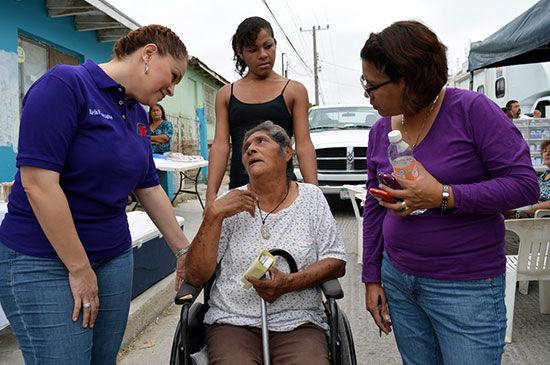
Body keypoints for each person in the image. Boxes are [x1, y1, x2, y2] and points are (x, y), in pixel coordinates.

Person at [0, 25, 192, 364]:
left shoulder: (136, 112)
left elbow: (147, 185)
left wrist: (183, 251)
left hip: (113, 255)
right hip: (43, 259)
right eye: (173, 76)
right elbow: (38, 184)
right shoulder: (64, 85)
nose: (173, 90)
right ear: (148, 54)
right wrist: (79, 268)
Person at [360, 21, 539, 364]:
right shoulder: (380, 129)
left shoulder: (473, 111)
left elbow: (524, 184)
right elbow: (373, 206)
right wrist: (372, 277)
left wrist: (445, 196)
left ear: (406, 80)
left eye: (371, 86)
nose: (366, 94)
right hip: (398, 278)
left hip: (465, 284)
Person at [186, 121, 346, 364]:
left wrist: (289, 283)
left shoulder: (311, 198)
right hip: (233, 320)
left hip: (298, 321)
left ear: (287, 153)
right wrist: (213, 216)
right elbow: (196, 276)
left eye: (261, 142)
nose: (250, 149)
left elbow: (335, 261)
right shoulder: (227, 204)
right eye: (246, 147)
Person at [205, 16, 318, 207]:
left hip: (284, 195)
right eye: (253, 49)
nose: (263, 54)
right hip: (240, 193)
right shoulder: (226, 95)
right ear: (240, 52)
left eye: (268, 46)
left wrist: (314, 194)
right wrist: (210, 197)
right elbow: (221, 146)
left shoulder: (294, 91)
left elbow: (304, 144)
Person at [513, 139, 550, 218]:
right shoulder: (543, 176)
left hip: (542, 217)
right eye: (545, 151)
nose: (547, 153)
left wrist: (529, 209)